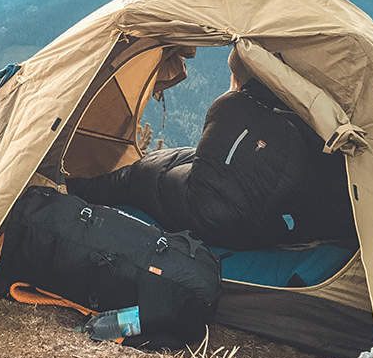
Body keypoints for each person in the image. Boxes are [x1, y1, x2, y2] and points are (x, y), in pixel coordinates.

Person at [67, 54, 355, 250]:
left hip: (200, 211)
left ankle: (72, 188)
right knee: (187, 156)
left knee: (143, 171)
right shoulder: (315, 132)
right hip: (257, 230)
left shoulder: (231, 106)